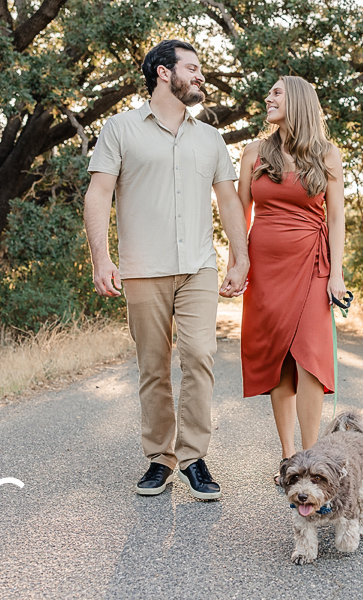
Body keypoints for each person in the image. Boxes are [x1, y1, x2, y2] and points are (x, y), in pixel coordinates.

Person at [83, 39, 249, 500]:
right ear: (162, 72)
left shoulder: (210, 138)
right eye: (192, 68)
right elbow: (98, 195)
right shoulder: (119, 129)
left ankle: (194, 457)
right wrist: (102, 258)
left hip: (198, 267)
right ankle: (160, 459)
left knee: (199, 356)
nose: (200, 76)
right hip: (142, 269)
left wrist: (241, 255)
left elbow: (229, 200)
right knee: (153, 367)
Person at [237, 76, 347, 484]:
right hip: (266, 269)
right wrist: (239, 263)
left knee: (311, 362)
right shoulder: (253, 152)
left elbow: (335, 218)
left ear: (298, 101)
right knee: (279, 362)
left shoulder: (327, 154)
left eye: (277, 92)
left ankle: (314, 459)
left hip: (312, 265)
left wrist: (336, 274)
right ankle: (289, 460)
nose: (268, 97)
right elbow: (239, 214)